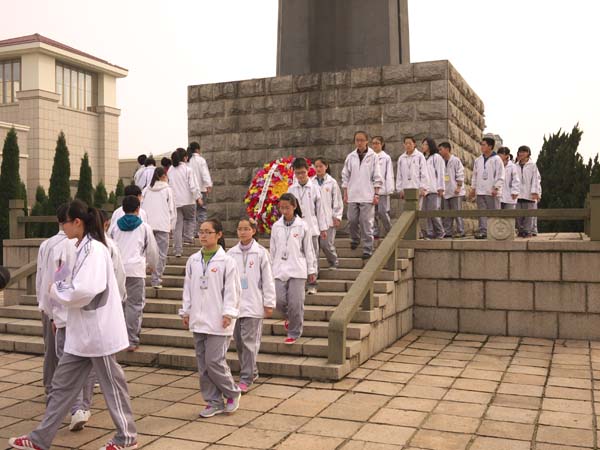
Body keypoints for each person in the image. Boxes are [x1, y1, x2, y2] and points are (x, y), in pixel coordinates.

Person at [9, 200, 138, 450]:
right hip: (81, 332)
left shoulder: (95, 250)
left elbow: (86, 289)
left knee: (112, 385)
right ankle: (40, 438)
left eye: (64, 222)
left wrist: (56, 290)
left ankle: (127, 437)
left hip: (98, 332)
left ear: (77, 222)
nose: (62, 227)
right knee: (61, 385)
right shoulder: (81, 247)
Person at [35, 203, 96, 432]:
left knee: (64, 363)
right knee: (83, 364)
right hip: (80, 315)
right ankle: (81, 406)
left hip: (64, 314)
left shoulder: (58, 246)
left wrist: (49, 311)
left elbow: (48, 281)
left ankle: (71, 404)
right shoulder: (89, 247)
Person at [179, 218, 241, 418]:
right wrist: (186, 311)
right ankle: (213, 401)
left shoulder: (227, 262)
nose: (203, 236)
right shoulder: (193, 260)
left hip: (219, 320)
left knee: (214, 361)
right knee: (203, 365)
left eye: (208, 232)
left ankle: (232, 392)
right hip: (198, 319)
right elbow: (188, 288)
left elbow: (232, 290)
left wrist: (228, 313)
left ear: (219, 235)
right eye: (201, 232)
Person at [227, 218, 275, 393]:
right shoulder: (231, 253)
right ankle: (252, 371)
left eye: (246, 229)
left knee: (249, 343)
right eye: (240, 229)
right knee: (239, 342)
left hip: (254, 304)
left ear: (253, 231)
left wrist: (269, 303)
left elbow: (268, 280)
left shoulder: (261, 253)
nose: (242, 232)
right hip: (236, 305)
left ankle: (246, 378)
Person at [109, 195, 159, 352]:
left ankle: (118, 338)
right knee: (135, 306)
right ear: (138, 209)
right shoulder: (144, 227)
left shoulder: (114, 227)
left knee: (119, 304)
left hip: (117, 270)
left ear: (123, 209)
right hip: (136, 270)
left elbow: (108, 247)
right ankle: (132, 339)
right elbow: (152, 250)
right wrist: (152, 266)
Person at [270, 193, 317, 344]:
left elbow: (309, 249)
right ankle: (290, 317)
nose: (284, 211)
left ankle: (294, 332)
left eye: (287, 208)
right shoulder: (276, 226)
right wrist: (270, 269)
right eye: (281, 208)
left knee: (296, 304)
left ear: (294, 206)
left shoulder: (302, 225)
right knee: (278, 301)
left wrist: (311, 270)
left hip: (297, 268)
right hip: (279, 268)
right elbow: (272, 250)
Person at [287, 157, 327, 294]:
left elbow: (320, 210)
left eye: (303, 172)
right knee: (299, 255)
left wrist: (323, 228)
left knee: (313, 256)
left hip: (312, 228)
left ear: (308, 171)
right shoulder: (291, 189)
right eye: (297, 173)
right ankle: (301, 282)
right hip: (297, 229)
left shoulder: (315, 188)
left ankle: (312, 283)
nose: (301, 176)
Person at [341, 131, 383, 259]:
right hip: (353, 194)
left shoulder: (373, 156)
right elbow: (345, 176)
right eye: (357, 140)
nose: (359, 143)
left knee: (366, 222)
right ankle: (355, 238)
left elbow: (377, 175)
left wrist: (376, 194)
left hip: (367, 194)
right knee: (352, 220)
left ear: (366, 141)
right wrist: (345, 193)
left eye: (361, 140)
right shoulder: (350, 157)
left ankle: (368, 248)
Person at [141, 167, 177, 289]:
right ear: (163, 176)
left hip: (148, 225)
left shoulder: (146, 190)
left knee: (147, 252)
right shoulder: (167, 190)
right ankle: (156, 279)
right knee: (161, 253)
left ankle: (143, 276)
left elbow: (141, 207)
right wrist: (171, 226)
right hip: (163, 225)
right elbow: (171, 209)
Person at [169, 148, 202, 258]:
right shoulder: (188, 170)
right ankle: (188, 239)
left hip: (175, 202)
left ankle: (177, 250)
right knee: (190, 219)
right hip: (188, 201)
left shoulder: (170, 170)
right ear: (185, 157)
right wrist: (198, 197)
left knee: (177, 226)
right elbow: (193, 186)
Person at [470, 137, 505, 239]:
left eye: (483, 145)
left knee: (493, 212)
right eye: (481, 144)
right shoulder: (478, 160)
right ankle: (483, 231)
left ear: (490, 146)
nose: (481, 147)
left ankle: (495, 231)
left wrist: (496, 187)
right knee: (482, 212)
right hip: (480, 191)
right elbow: (475, 175)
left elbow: (500, 175)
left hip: (491, 191)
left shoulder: (497, 159)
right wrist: (473, 188)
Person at [313, 156, 343, 270]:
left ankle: (333, 261)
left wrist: (337, 216)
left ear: (326, 166)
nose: (318, 169)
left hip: (328, 219)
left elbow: (337, 200)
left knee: (326, 244)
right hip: (315, 220)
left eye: (320, 166)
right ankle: (315, 269)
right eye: (316, 166)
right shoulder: (311, 182)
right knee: (314, 247)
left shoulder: (332, 182)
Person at [438, 142, 465, 238]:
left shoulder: (455, 160)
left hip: (455, 191)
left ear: (447, 149)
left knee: (457, 212)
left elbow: (460, 174)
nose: (439, 151)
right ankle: (448, 231)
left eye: (441, 149)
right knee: (447, 213)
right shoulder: (441, 161)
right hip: (446, 191)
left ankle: (461, 231)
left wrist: (458, 187)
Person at [396, 136, 429, 210]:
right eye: (406, 143)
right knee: (407, 211)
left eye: (410, 143)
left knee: (417, 210)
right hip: (405, 189)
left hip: (417, 188)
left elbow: (424, 173)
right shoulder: (401, 158)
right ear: (404, 145)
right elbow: (399, 175)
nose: (408, 145)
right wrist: (399, 189)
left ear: (414, 144)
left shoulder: (420, 156)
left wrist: (423, 187)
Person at [421, 138, 445, 239]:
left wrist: (441, 188)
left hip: (434, 189)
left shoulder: (436, 157)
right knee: (427, 213)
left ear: (430, 145)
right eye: (422, 144)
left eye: (425, 144)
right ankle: (430, 232)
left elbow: (441, 173)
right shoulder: (423, 158)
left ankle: (440, 231)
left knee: (433, 211)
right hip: (425, 190)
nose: (423, 146)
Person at [371, 136, 395, 238]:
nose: (375, 145)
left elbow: (389, 174)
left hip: (382, 189)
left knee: (382, 212)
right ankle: (375, 232)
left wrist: (389, 189)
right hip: (371, 190)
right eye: (373, 143)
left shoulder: (386, 158)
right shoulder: (369, 157)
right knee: (372, 213)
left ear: (382, 144)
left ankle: (390, 231)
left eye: (377, 143)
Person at [188, 142, 213, 233]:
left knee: (193, 213)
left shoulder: (188, 161)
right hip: (201, 189)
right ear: (197, 149)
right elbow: (204, 173)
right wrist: (208, 185)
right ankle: (202, 231)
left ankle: (193, 232)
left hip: (190, 191)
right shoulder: (201, 160)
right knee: (202, 210)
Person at [516, 145, 541, 238]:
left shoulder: (533, 165)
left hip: (529, 194)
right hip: (517, 194)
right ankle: (521, 230)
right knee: (518, 214)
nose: (521, 153)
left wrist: (535, 192)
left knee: (529, 215)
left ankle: (527, 231)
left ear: (528, 153)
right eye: (520, 152)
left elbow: (536, 179)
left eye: (524, 152)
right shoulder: (515, 166)